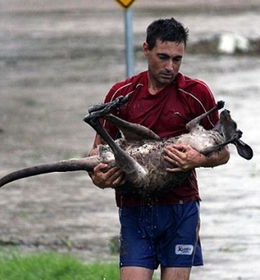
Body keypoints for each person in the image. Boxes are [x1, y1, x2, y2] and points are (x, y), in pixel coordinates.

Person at [88, 18, 230, 280]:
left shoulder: (197, 93)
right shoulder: (121, 94)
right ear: (146, 49)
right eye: (163, 57)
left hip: (181, 207)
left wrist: (197, 159)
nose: (170, 67)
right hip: (134, 207)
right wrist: (99, 178)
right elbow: (96, 154)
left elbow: (223, 153)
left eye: (177, 59)